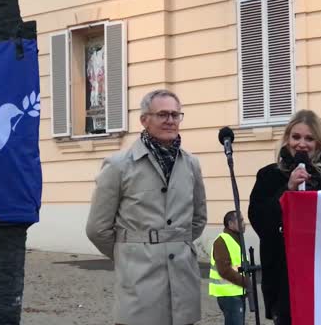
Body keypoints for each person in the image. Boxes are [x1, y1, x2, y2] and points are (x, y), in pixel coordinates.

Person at [85, 89, 207, 325]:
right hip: (139, 281)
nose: (170, 121)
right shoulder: (119, 165)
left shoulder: (191, 164)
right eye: (162, 114)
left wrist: (174, 242)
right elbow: (97, 229)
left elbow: (199, 218)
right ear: (144, 120)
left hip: (183, 279)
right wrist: (130, 253)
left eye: (175, 115)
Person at [248, 109, 321, 325]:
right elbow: (260, 220)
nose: (301, 144)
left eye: (309, 138)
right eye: (296, 137)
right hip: (284, 274)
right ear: (287, 139)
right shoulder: (269, 175)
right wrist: (288, 190)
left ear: (319, 143)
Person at [209, 211, 250, 325]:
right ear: (231, 224)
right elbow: (224, 270)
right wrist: (245, 282)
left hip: (236, 292)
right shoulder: (222, 241)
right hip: (229, 295)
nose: (244, 223)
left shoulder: (235, 239)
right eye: (240, 221)